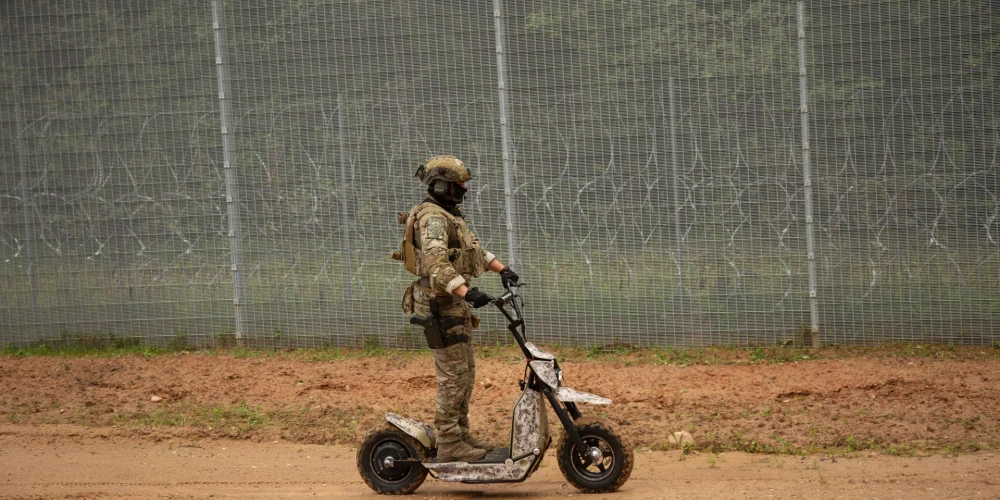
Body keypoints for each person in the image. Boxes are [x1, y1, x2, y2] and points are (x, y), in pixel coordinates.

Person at [399, 155, 519, 462]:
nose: (464, 189)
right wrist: (468, 291)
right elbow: (436, 263)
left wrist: (501, 269)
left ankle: (461, 435)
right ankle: (450, 442)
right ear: (442, 186)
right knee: (452, 377)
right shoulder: (434, 219)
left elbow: (473, 250)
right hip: (443, 304)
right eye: (459, 184)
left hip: (455, 303)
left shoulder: (450, 214)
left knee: (465, 372)